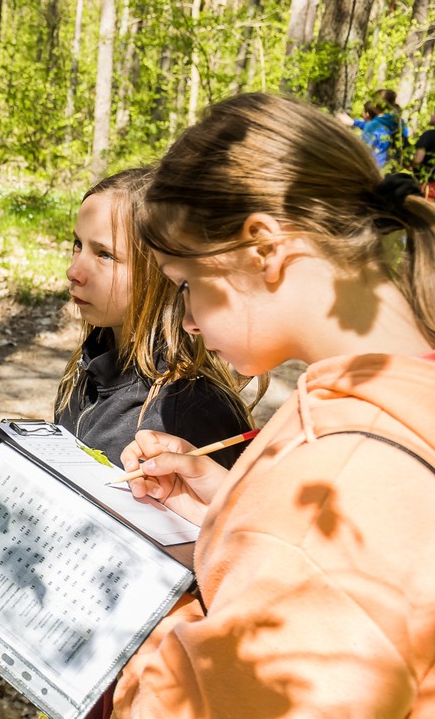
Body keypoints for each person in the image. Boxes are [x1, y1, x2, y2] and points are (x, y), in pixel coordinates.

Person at [109, 92, 435, 717]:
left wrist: (127, 614)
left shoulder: (343, 484)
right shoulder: (375, 393)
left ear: (262, 247)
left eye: (187, 285)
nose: (189, 320)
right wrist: (229, 503)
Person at [55, 168, 254, 467]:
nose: (74, 271)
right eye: (78, 245)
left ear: (163, 271)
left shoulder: (189, 411)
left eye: (105, 255)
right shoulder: (86, 370)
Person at [338, 88, 409, 170]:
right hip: (395, 171)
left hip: (374, 171)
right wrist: (354, 122)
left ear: (375, 105)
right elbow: (383, 129)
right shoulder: (400, 124)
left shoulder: (373, 126)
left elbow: (362, 153)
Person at [412, 112, 435, 197]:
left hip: (428, 186)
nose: (431, 115)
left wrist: (410, 166)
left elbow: (418, 159)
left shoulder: (428, 135)